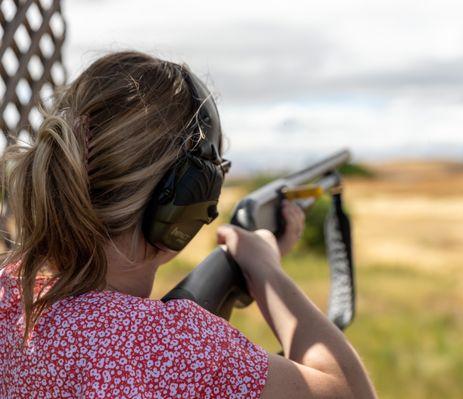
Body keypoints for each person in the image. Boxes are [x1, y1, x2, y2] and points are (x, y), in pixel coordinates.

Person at [0, 51, 376, 398]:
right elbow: (351, 393)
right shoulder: (173, 347)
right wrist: (266, 271)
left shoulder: (8, 296)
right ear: (181, 208)